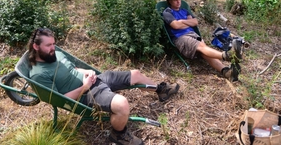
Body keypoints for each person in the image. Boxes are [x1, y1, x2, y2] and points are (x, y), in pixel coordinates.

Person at [27, 28, 180, 145]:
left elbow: (72, 68)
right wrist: (85, 87)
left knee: (136, 74)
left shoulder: (54, 54)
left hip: (93, 80)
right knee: (122, 104)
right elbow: (59, 99)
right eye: (48, 45)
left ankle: (161, 90)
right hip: (86, 93)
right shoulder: (38, 74)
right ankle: (118, 135)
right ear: (36, 46)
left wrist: (86, 71)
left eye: (54, 43)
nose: (53, 48)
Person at [162, 0, 243, 82]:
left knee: (204, 52)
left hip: (193, 34)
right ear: (170, 2)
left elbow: (195, 22)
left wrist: (181, 22)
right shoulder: (167, 12)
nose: (178, 2)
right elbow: (175, 26)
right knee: (202, 47)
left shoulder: (185, 11)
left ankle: (226, 72)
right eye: (175, 0)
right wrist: (186, 23)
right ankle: (229, 56)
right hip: (180, 37)